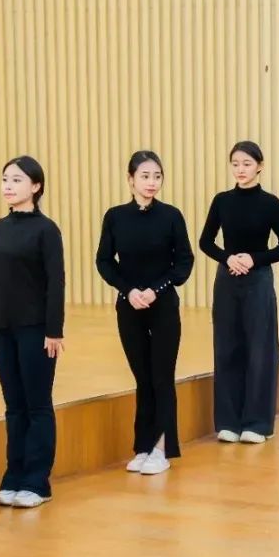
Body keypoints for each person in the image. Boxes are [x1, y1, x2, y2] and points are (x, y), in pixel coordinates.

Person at [96, 151, 195, 473]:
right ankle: (142, 446)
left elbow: (184, 262)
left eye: (157, 176)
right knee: (142, 377)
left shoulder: (171, 216)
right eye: (145, 176)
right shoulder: (115, 217)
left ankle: (162, 448)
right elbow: (104, 261)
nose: (151, 182)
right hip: (129, 305)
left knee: (161, 376)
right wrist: (129, 291)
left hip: (163, 305)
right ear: (131, 179)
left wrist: (156, 290)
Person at [0, 156, 65, 508]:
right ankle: (13, 475)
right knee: (13, 406)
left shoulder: (47, 230)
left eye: (16, 180)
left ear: (36, 186)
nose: (8, 186)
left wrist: (54, 330)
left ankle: (37, 481)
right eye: (5, 179)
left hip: (36, 329)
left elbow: (56, 283)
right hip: (3, 329)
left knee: (37, 404)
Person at [199, 141, 279, 444]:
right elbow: (206, 241)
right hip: (227, 279)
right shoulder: (222, 200)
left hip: (258, 280)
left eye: (247, 164)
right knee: (227, 347)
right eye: (236, 164)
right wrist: (228, 258)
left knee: (260, 350)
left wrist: (254, 259)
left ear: (260, 166)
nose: (241, 169)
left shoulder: (270, 203)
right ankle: (228, 421)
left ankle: (258, 423)